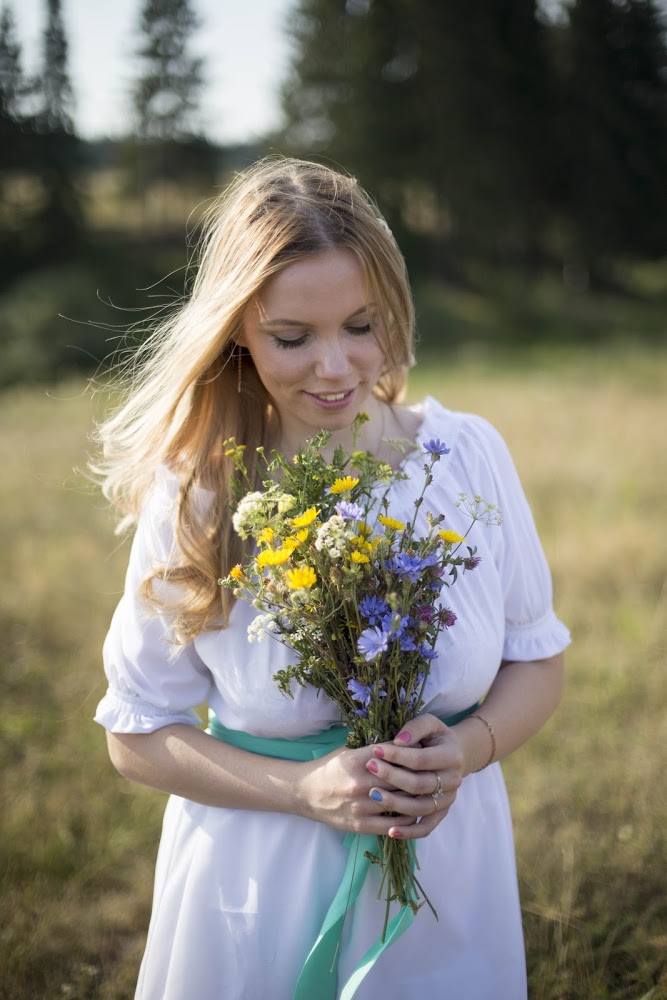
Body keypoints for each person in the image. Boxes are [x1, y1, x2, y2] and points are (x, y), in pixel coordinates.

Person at [93, 157, 570, 1000]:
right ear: (237, 326)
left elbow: (535, 660)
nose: (335, 366)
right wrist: (301, 789)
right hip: (258, 890)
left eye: (361, 324)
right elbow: (135, 732)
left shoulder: (465, 457)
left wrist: (465, 748)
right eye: (292, 337)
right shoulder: (200, 489)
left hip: (446, 886)